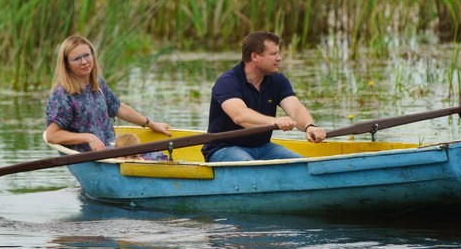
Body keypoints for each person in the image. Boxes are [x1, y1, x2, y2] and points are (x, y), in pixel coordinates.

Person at [202, 31, 327, 162]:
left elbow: (295, 108)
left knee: (303, 164)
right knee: (250, 166)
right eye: (273, 54)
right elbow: (240, 116)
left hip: (263, 147)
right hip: (224, 148)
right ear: (254, 56)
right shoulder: (227, 82)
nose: (279, 58)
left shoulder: (278, 80)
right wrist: (274, 121)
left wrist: (309, 126)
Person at [45, 35, 171, 153]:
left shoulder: (97, 82)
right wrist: (89, 138)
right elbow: (52, 135)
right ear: (67, 64)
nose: (84, 62)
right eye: (76, 59)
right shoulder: (62, 95)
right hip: (89, 155)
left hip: (110, 149)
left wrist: (151, 124)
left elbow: (118, 107)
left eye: (87, 55)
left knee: (159, 156)